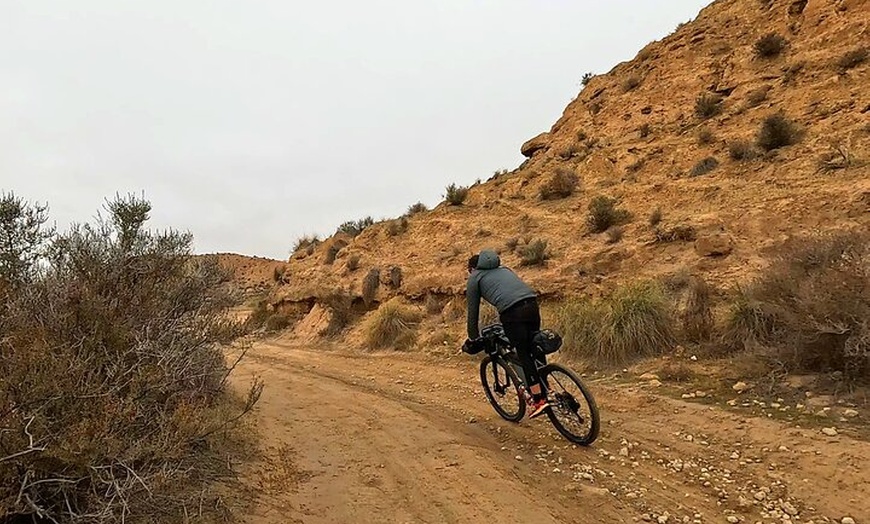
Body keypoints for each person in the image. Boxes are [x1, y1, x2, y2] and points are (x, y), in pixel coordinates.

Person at [464, 249, 549, 418]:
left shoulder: (475, 277)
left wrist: (473, 337)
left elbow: (472, 312)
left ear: (473, 268)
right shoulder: (504, 270)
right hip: (532, 304)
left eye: (468, 271)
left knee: (523, 352)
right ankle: (546, 386)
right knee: (534, 345)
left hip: (512, 312)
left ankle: (539, 399)